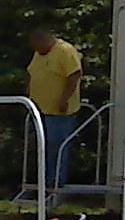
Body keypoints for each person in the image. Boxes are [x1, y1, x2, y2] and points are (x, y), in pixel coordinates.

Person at [26, 25, 84, 193]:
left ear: (44, 40)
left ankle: (56, 181)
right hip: (40, 110)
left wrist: (64, 98)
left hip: (59, 111)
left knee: (57, 145)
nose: (35, 49)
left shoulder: (65, 51)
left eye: (36, 45)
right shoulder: (39, 53)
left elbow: (74, 75)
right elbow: (32, 74)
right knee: (42, 146)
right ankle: (44, 180)